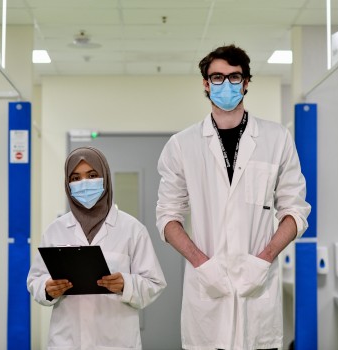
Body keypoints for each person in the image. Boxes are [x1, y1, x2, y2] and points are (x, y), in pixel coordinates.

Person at [156, 44, 311, 350]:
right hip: (206, 290)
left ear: (246, 82)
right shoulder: (182, 145)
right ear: (205, 83)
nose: (225, 85)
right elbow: (167, 217)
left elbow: (295, 210)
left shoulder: (276, 138)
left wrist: (263, 260)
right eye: (217, 77)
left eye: (234, 77)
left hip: (258, 286)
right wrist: (203, 264)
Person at [28, 146, 166, 349]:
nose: (84, 184)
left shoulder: (132, 229)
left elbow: (155, 284)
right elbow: (35, 280)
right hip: (67, 341)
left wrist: (125, 285)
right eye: (75, 178)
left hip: (117, 342)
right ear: (67, 184)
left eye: (92, 175)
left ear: (105, 178)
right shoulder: (55, 230)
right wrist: (47, 289)